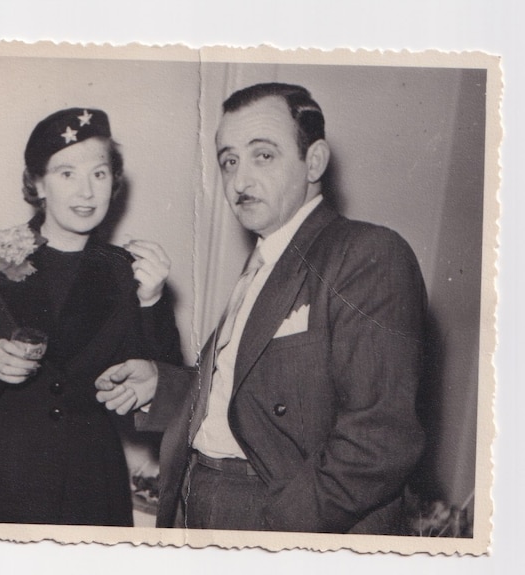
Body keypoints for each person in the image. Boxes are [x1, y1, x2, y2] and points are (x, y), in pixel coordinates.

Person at [96, 83, 427, 534]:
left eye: (263, 155)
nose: (239, 181)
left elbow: (379, 440)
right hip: (198, 498)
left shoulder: (366, 252)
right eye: (229, 161)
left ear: (314, 161)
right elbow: (251, 395)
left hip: (278, 516)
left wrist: (275, 529)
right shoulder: (265, 259)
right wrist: (166, 385)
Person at [0, 107, 182, 526]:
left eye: (99, 175)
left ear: (114, 182)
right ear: (37, 182)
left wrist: (153, 300)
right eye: (67, 174)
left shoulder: (129, 271)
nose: (86, 192)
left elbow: (161, 391)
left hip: (90, 483)